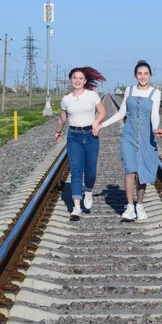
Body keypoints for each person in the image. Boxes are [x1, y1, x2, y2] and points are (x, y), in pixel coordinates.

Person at [93, 60, 162, 220]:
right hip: (129, 136)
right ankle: (130, 207)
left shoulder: (155, 93)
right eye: (140, 73)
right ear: (135, 75)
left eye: (146, 74)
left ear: (150, 75)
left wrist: (155, 129)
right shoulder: (129, 90)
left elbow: (155, 114)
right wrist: (101, 125)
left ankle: (139, 204)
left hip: (146, 137)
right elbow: (121, 114)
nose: (143, 77)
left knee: (142, 172)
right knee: (130, 169)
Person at [55, 67, 106, 218]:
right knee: (76, 170)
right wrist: (58, 131)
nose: (77, 80)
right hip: (74, 135)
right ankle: (76, 206)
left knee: (90, 171)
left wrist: (96, 123)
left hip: (91, 135)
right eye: (74, 78)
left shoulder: (92, 95)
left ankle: (88, 190)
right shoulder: (66, 99)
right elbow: (63, 118)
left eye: (80, 78)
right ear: (70, 80)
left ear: (85, 81)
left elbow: (102, 112)